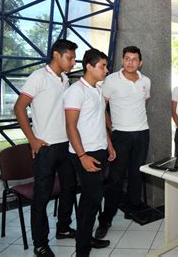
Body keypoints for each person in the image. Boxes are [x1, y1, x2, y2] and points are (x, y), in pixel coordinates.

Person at [14, 39, 78, 257]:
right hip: (46, 146)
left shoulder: (64, 79)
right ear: (56, 55)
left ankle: (63, 227)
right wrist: (32, 139)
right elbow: (19, 107)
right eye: (69, 57)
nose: (73, 62)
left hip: (65, 144)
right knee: (42, 196)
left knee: (69, 188)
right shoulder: (38, 77)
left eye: (74, 58)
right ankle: (40, 243)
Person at [64, 49, 116, 257]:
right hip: (85, 153)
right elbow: (70, 126)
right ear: (89, 66)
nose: (106, 69)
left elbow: (100, 120)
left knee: (94, 198)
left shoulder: (97, 89)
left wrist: (109, 145)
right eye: (102, 66)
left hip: (100, 149)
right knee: (90, 200)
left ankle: (86, 238)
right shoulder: (76, 91)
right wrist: (82, 156)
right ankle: (82, 250)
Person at [95, 46, 151, 239]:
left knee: (137, 174)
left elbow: (143, 103)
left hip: (142, 133)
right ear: (122, 60)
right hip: (121, 135)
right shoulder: (110, 80)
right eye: (127, 59)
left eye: (134, 59)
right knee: (116, 178)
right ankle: (106, 219)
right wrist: (111, 129)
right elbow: (101, 109)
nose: (130, 62)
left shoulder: (146, 81)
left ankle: (132, 208)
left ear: (140, 62)